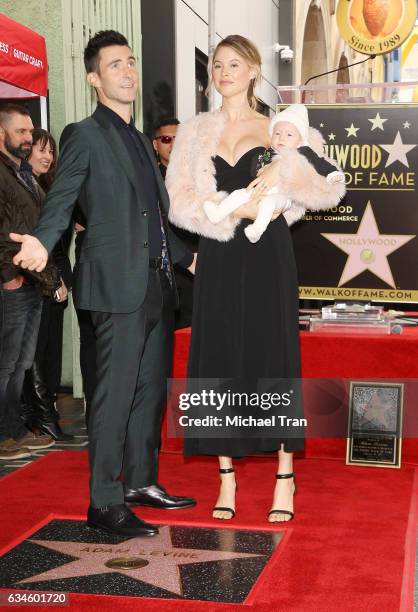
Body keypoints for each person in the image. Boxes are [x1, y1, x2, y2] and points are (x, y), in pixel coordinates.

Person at [11, 30, 197, 537]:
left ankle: (140, 482)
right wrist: (44, 244)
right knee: (114, 396)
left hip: (156, 285)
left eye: (131, 62)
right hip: (114, 287)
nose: (128, 71)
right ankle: (104, 502)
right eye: (116, 65)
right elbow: (62, 198)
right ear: (94, 78)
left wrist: (190, 261)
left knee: (148, 393)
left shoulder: (140, 139)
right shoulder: (83, 134)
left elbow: (156, 217)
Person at [167, 35, 345, 523]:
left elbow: (324, 187)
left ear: (252, 71)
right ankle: (227, 475)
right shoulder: (194, 131)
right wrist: (230, 210)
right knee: (219, 352)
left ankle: (284, 476)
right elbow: (178, 199)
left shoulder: (280, 128)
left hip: (268, 253)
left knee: (273, 352)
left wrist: (283, 183)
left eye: (235, 64)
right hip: (221, 252)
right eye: (218, 65)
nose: (224, 71)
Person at [0, 104, 57, 461]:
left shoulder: (24, 174)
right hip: (14, 281)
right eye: (21, 132)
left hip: (32, 280)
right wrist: (9, 278)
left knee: (21, 363)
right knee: (6, 363)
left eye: (30, 131)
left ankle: (14, 429)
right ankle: (4, 435)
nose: (28, 138)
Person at [203, 103, 345, 242]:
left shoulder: (304, 152)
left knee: (268, 204)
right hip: (258, 192)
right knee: (237, 194)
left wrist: (332, 173)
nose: (282, 138)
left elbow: (320, 163)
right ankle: (217, 213)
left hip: (282, 196)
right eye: (277, 133)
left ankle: (257, 229)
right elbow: (255, 167)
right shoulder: (269, 152)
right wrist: (260, 169)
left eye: (289, 134)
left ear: (300, 139)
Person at [21, 128, 74, 441]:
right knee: (35, 353)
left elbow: (63, 241)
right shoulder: (25, 188)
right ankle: (41, 415)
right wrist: (54, 279)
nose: (47, 156)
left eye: (51, 151)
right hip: (36, 282)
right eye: (40, 150)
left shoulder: (52, 187)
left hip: (56, 279)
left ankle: (44, 412)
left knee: (51, 350)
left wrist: (63, 278)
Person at [153, 117, 198, 328]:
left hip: (195, 267)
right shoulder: (149, 178)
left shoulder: (201, 176)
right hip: (162, 270)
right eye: (166, 139)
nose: (173, 145)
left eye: (178, 139)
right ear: (155, 143)